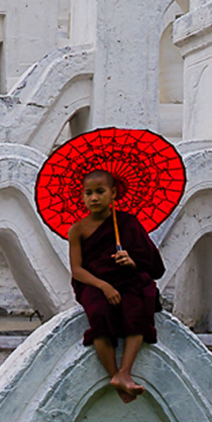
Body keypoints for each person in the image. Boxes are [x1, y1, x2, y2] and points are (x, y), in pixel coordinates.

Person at [68, 166, 166, 400]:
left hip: (126, 279)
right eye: (88, 192)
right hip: (93, 283)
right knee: (100, 313)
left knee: (137, 309)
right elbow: (77, 270)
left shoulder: (127, 223)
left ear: (113, 193)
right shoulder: (78, 229)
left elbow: (153, 266)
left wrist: (131, 262)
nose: (93, 198)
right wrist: (104, 286)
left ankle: (125, 372)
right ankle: (116, 375)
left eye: (100, 191)